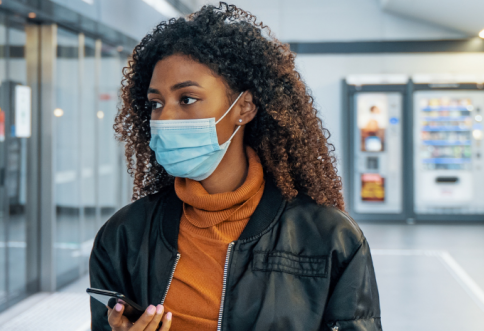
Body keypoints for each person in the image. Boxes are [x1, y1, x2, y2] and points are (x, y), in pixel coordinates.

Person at [89, 3, 381, 331]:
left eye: (186, 99)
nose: (164, 117)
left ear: (243, 107)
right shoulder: (123, 237)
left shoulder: (330, 239)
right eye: (156, 103)